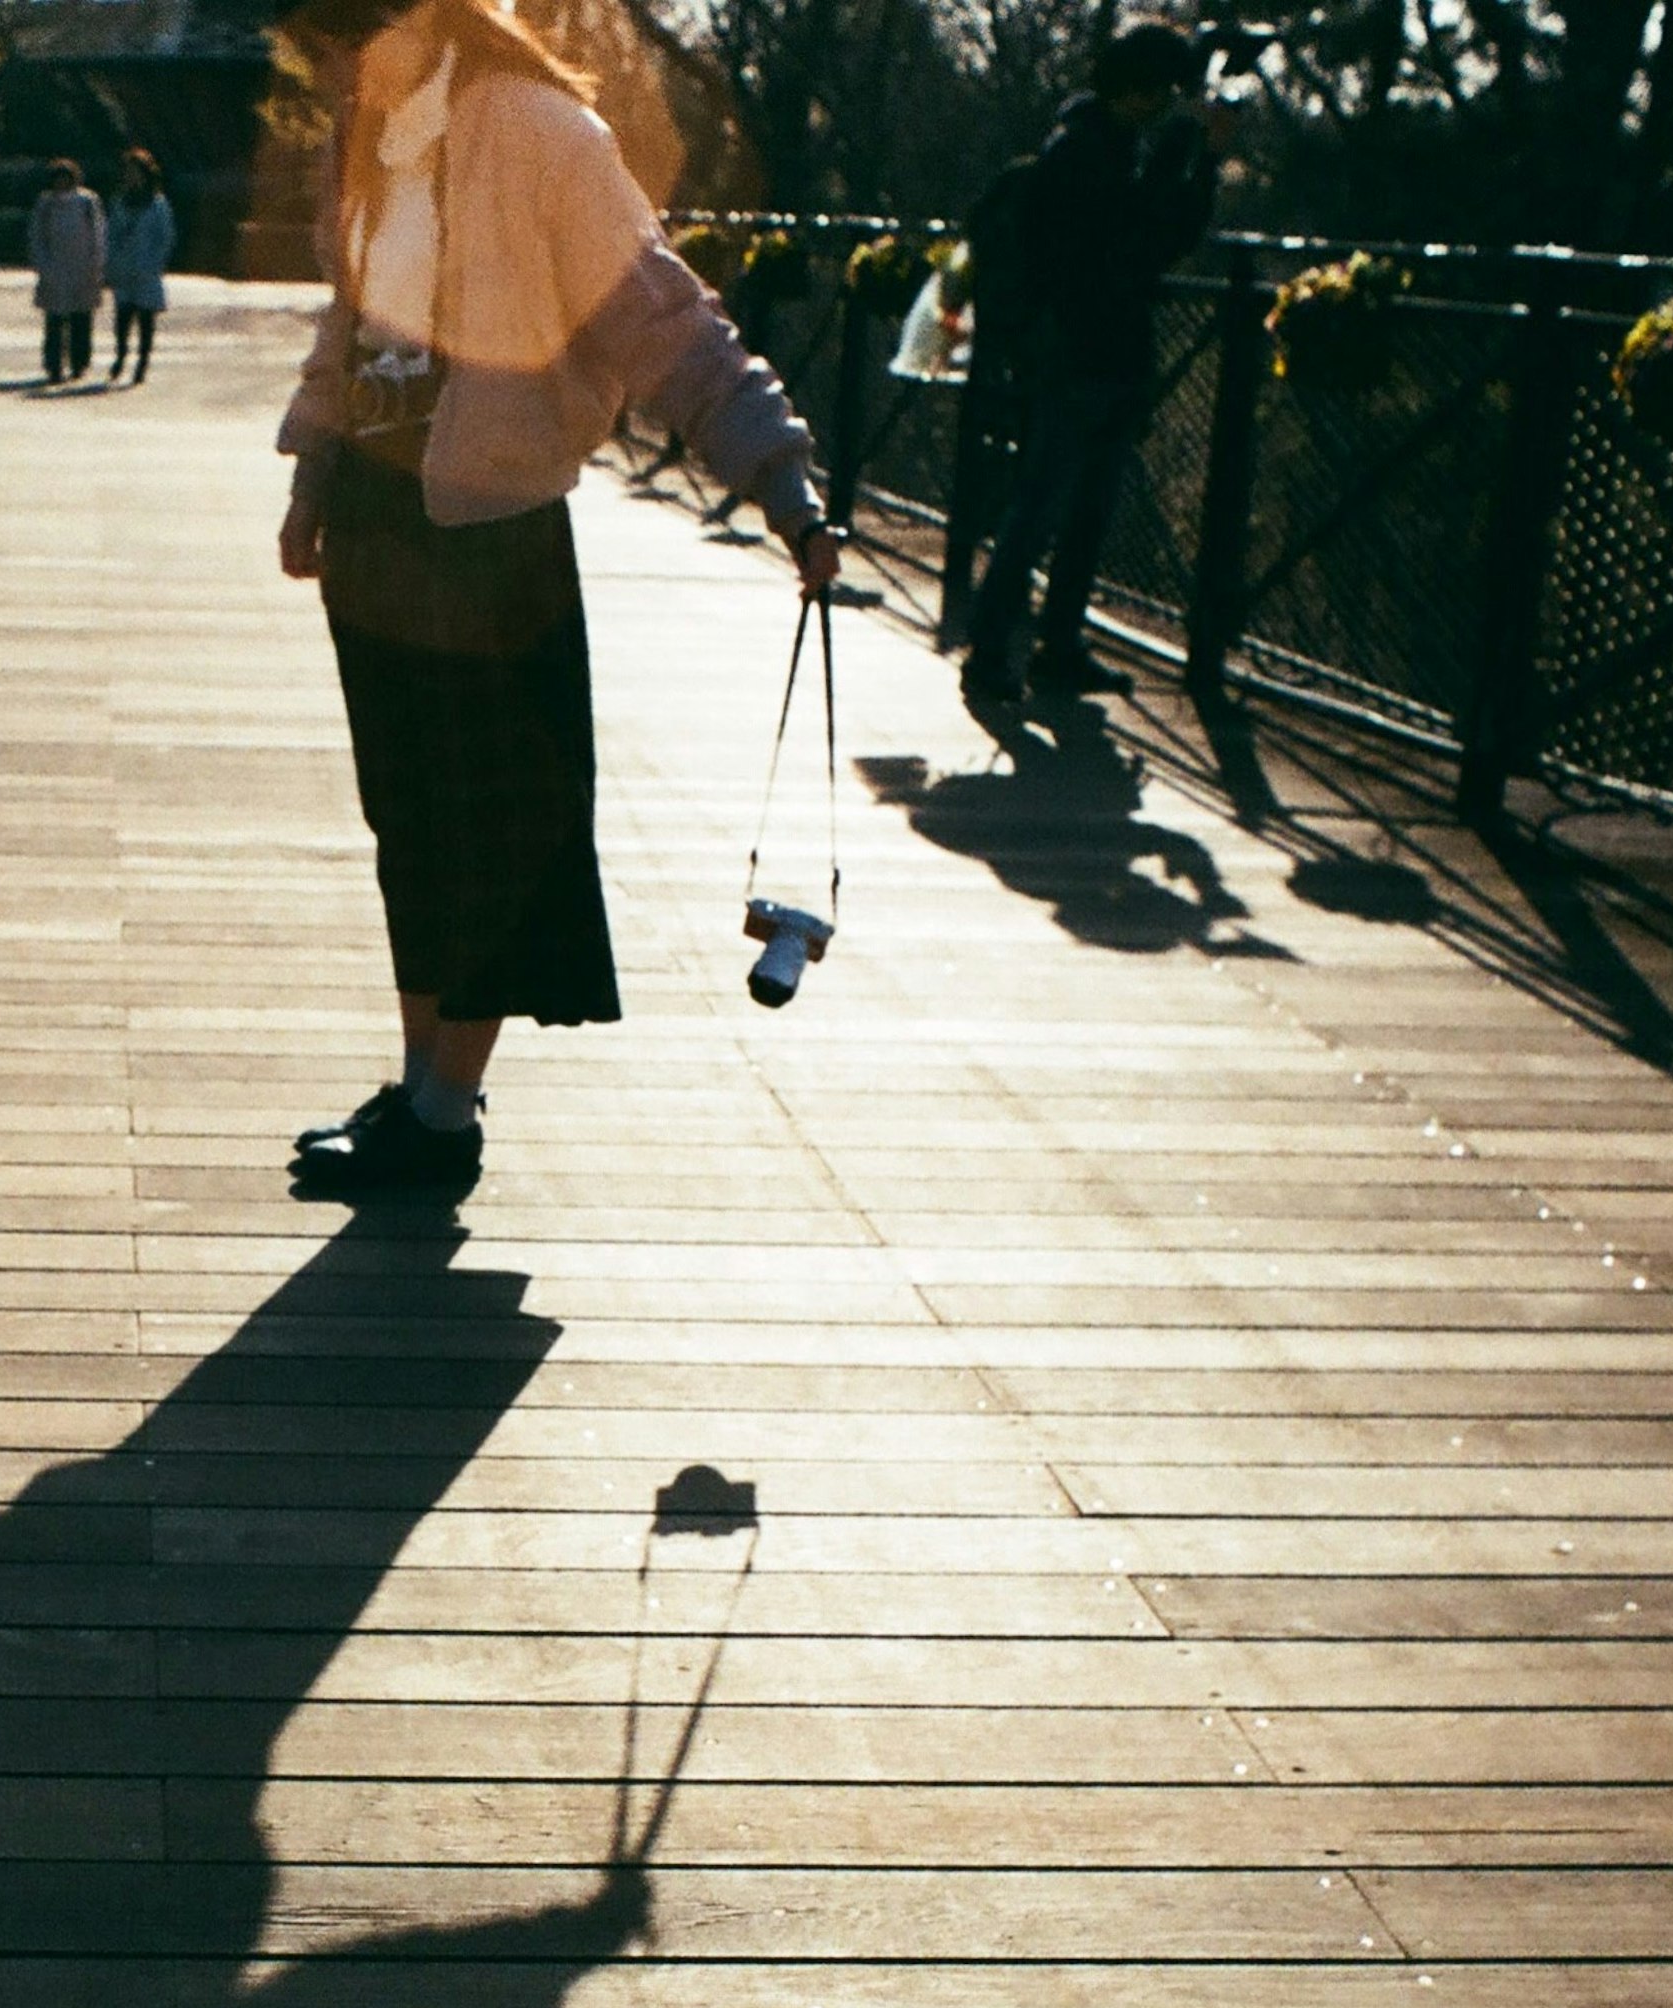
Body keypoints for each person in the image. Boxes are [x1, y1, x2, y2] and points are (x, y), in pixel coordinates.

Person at [272, 0, 844, 1194]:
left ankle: (445, 1112)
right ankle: (422, 1082)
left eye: (334, 42)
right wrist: (313, 475)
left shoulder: (542, 135)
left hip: (489, 535)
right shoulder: (368, 137)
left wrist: (783, 482)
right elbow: (350, 325)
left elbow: (664, 322)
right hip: (381, 526)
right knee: (410, 824)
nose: (325, 70)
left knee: (485, 826)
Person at [958, 20, 1227, 708]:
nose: (1172, 103)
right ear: (1137, 89)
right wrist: (1194, 164)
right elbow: (1143, 243)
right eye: (1166, 90)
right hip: (1081, 353)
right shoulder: (1087, 155)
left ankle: (1056, 643)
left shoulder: (1100, 146)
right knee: (1046, 504)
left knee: (1083, 508)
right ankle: (994, 650)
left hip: (1093, 353)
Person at [27, 158, 107, 384]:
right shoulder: (45, 204)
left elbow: (98, 234)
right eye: (57, 179)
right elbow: (37, 236)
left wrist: (97, 264)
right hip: (54, 268)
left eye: (65, 179)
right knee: (54, 321)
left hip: (83, 268)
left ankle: (79, 363)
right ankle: (53, 365)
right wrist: (42, 265)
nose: (61, 184)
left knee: (81, 319)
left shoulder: (88, 202)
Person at [107, 149, 179, 382]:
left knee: (146, 320)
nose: (132, 177)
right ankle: (120, 356)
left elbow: (165, 236)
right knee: (122, 319)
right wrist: (112, 263)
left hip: (147, 270)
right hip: (124, 269)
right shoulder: (120, 202)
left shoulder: (158, 204)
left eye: (136, 172)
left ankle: (142, 363)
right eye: (128, 172)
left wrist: (156, 263)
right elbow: (111, 234)